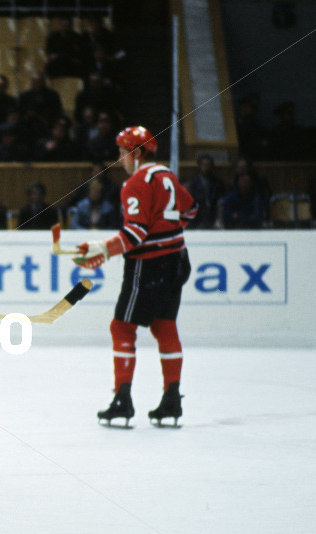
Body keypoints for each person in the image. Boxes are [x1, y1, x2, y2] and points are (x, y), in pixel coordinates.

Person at [72, 126, 198, 427]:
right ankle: (171, 399)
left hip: (149, 266)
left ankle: (123, 400)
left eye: (122, 152)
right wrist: (165, 235)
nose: (120, 159)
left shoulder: (135, 183)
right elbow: (191, 210)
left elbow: (136, 233)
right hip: (178, 259)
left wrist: (103, 247)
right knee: (164, 326)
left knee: (122, 328)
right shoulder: (167, 176)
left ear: (137, 152)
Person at [183, 153, 225, 228]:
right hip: (197, 217)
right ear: (199, 166)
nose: (206, 167)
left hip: (212, 216)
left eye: (208, 165)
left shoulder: (217, 183)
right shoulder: (193, 184)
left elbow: (220, 202)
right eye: (204, 165)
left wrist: (219, 218)